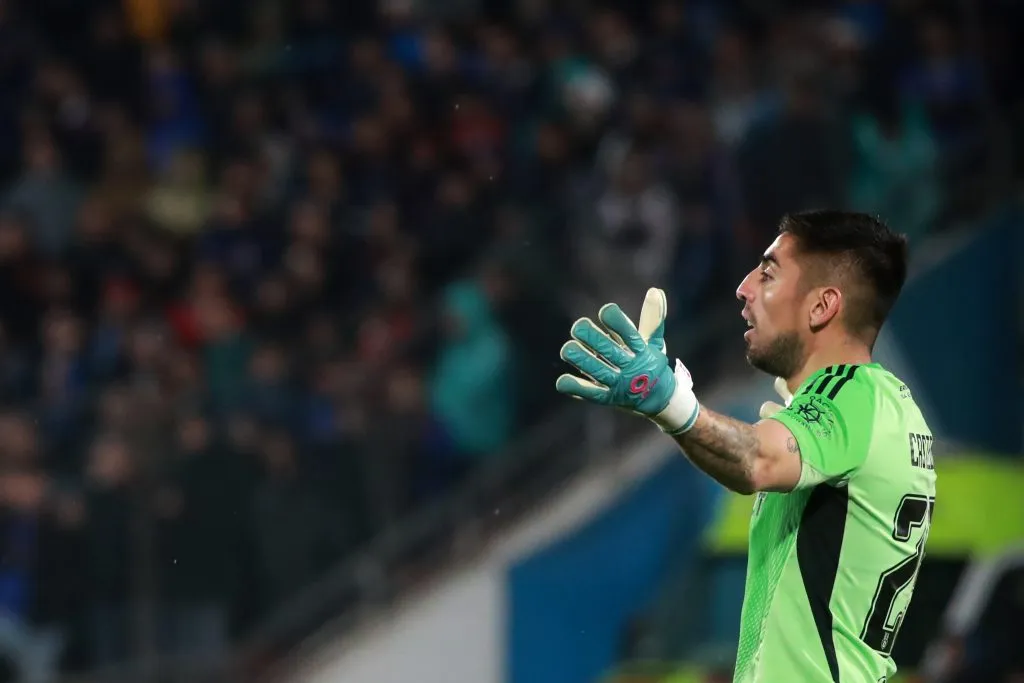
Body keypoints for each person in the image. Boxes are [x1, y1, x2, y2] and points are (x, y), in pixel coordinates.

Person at [556, 210, 936, 683]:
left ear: (822, 307)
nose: (744, 287)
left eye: (768, 273)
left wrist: (669, 401)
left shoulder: (852, 393)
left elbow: (756, 459)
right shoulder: (888, 407)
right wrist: (671, 413)